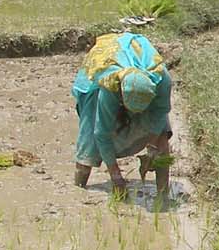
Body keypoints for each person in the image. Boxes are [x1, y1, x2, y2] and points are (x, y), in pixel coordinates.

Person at [72, 30, 173, 193]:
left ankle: (163, 193)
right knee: (89, 137)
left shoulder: (162, 79)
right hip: (98, 76)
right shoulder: (109, 85)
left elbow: (160, 113)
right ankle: (78, 189)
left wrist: (151, 148)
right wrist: (116, 176)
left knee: (162, 136)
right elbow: (101, 134)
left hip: (139, 74)